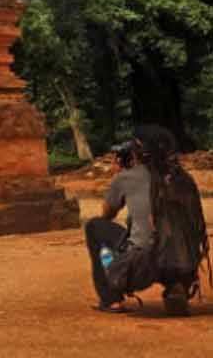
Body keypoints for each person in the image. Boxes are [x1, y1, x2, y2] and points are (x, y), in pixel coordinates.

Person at [84, 126, 208, 315]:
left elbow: (107, 215)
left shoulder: (127, 177)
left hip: (142, 267)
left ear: (138, 151)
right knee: (171, 242)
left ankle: (111, 299)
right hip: (185, 263)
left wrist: (120, 177)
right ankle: (177, 285)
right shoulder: (185, 179)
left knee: (94, 226)